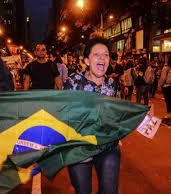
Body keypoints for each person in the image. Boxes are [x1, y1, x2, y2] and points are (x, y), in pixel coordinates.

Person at [64, 38, 120, 194]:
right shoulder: (73, 82)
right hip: (79, 148)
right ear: (87, 60)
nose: (102, 58)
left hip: (107, 145)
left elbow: (119, 111)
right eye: (97, 54)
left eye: (106, 55)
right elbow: (62, 113)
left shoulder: (112, 84)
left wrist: (144, 112)